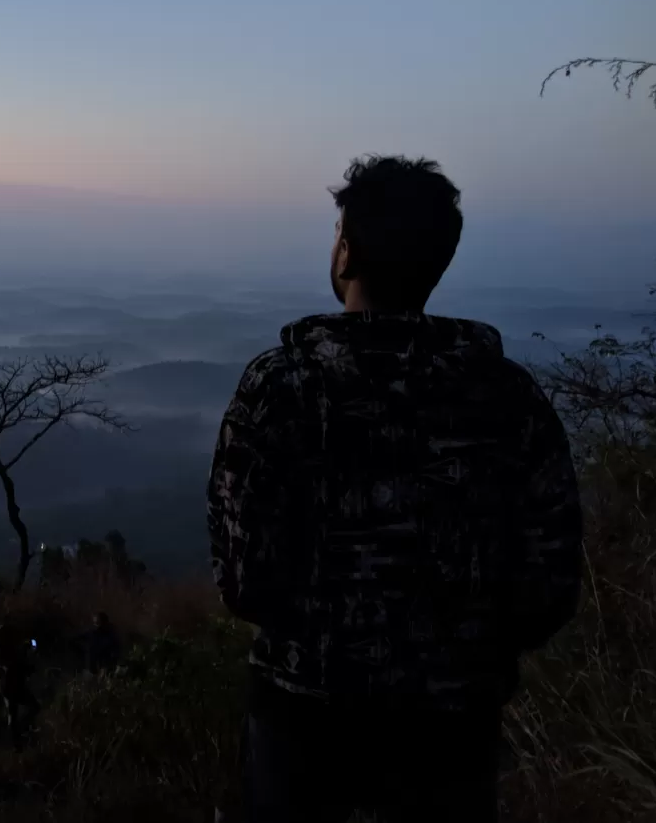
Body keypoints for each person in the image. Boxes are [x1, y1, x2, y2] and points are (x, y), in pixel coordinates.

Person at [208, 155, 582, 823]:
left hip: (303, 728)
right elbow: (549, 583)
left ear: (346, 252)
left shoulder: (279, 390)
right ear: (440, 261)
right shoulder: (507, 398)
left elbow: (245, 581)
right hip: (452, 730)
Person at [0, 621, 40, 750]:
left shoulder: (1, 649)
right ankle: (22, 734)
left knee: (12, 714)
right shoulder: (11, 649)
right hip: (12, 684)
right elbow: (17, 665)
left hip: (6, 685)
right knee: (33, 707)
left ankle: (16, 743)